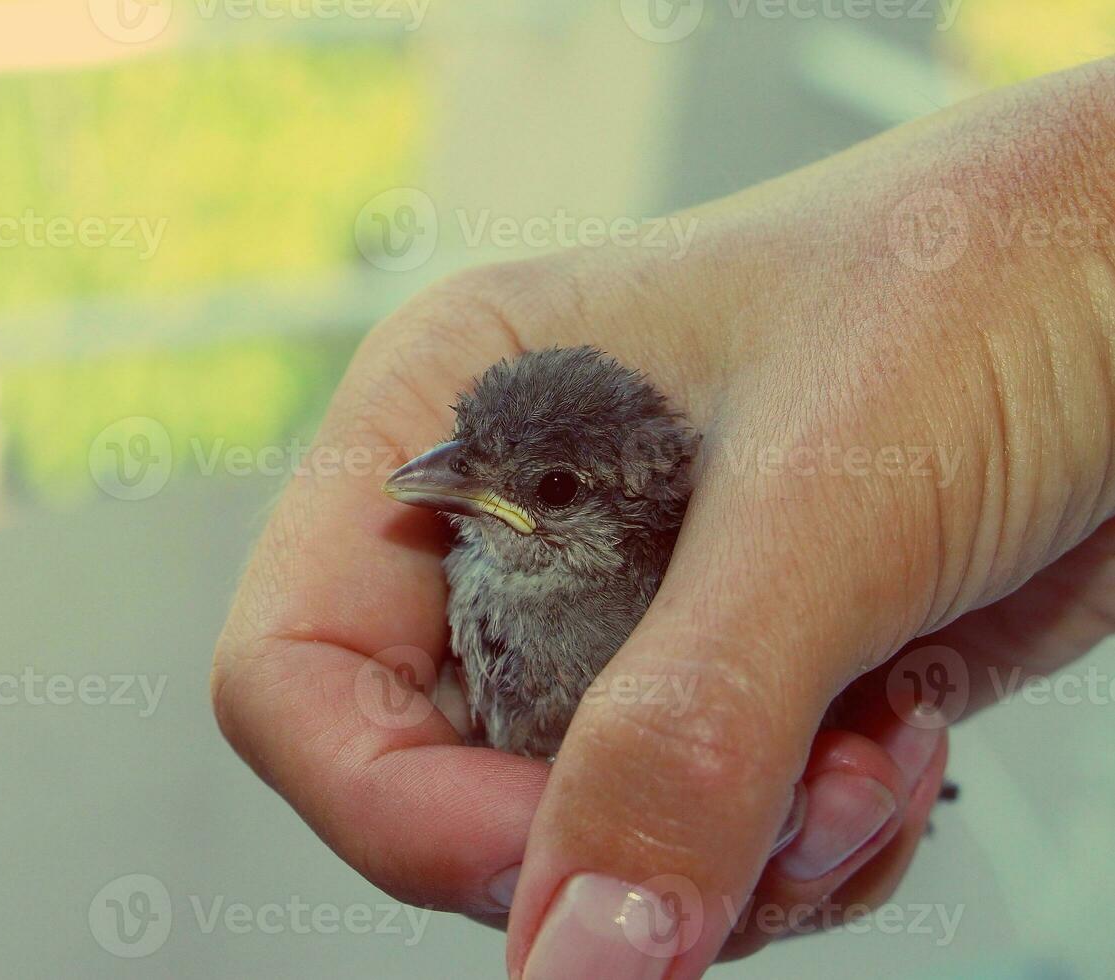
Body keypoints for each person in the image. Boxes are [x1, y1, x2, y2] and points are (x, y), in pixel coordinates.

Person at [211, 57, 1115, 978]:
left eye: (552, 490)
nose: (452, 488)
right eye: (465, 457)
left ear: (625, 512)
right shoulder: (474, 563)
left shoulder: (639, 597)